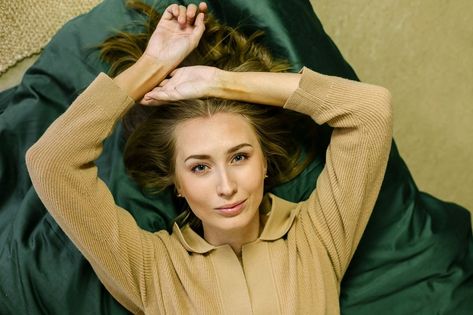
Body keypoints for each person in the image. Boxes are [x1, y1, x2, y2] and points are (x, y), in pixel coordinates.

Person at [26, 2, 393, 314]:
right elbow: (52, 162)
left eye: (239, 157)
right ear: (178, 184)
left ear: (264, 163)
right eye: (200, 167)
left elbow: (369, 111)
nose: (226, 187)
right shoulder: (151, 268)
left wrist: (221, 83)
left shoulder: (317, 236)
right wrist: (152, 64)